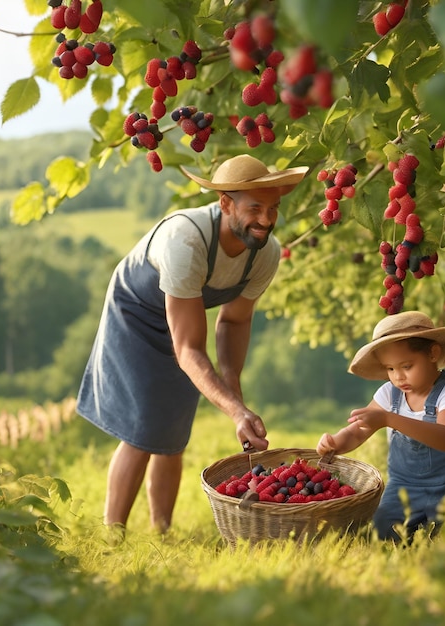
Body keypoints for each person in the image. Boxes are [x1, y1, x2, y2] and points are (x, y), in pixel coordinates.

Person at [77, 154, 308, 533]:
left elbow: (234, 321)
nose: (265, 220)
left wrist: (235, 395)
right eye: (255, 208)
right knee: (144, 427)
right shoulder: (187, 241)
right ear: (225, 203)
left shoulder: (265, 252)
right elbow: (188, 349)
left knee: (174, 431)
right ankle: (111, 535)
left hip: (186, 319)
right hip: (137, 314)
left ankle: (161, 532)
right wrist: (235, 412)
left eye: (273, 208)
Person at [316, 311, 445, 543]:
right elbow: (358, 430)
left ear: (433, 353)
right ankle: (414, 535)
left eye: (406, 366)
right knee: (381, 529)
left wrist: (389, 419)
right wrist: (336, 442)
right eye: (390, 369)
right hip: (407, 485)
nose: (398, 377)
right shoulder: (389, 394)